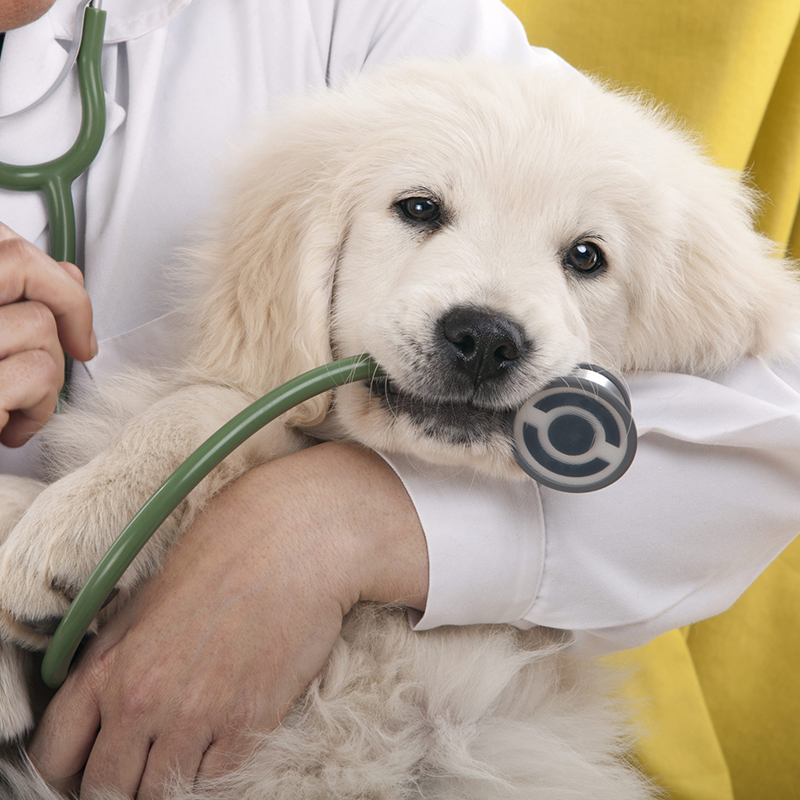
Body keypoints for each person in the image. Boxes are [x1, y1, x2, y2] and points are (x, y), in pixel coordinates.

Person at [1, 0, 799, 797]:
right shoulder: (313, 181)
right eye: (420, 211)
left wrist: (332, 527)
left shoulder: (362, 23)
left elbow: (763, 413)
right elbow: (244, 372)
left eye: (585, 257)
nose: (490, 330)